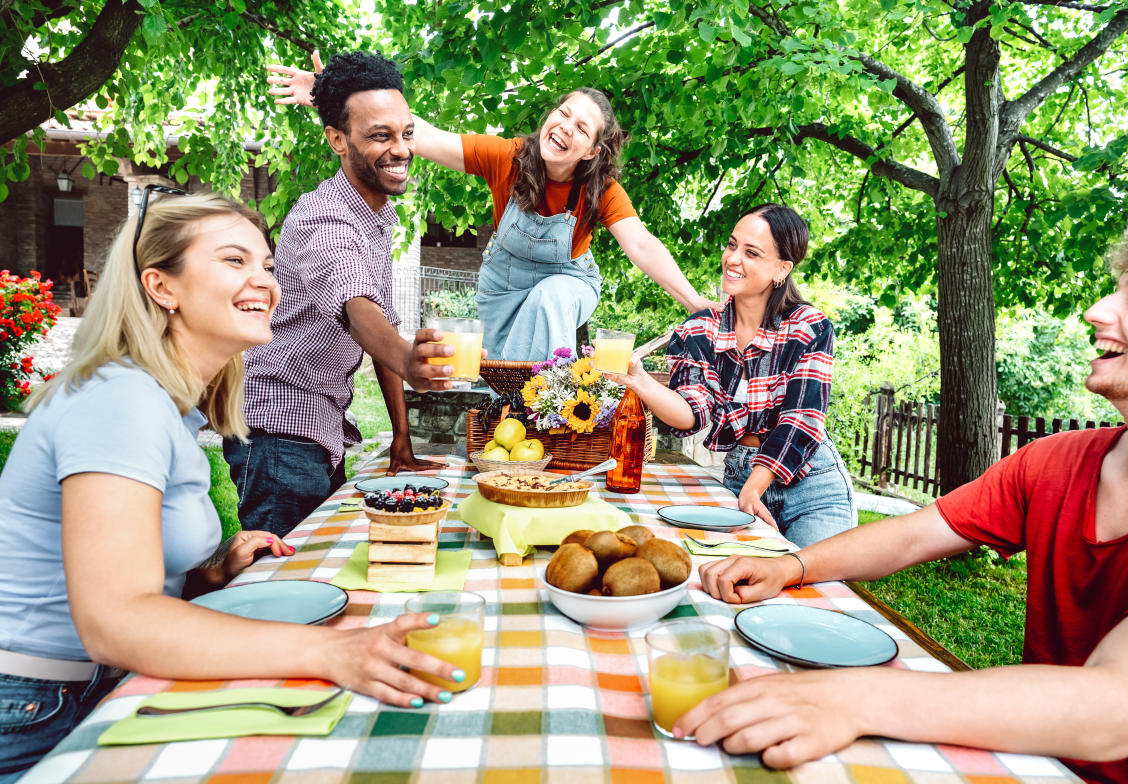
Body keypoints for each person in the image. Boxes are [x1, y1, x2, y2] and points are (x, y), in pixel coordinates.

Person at [682, 208, 1128, 784]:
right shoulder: (1057, 461)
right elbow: (916, 533)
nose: (1097, 312)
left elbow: (1121, 705)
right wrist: (793, 566)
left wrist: (857, 698)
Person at [0, 191, 462, 783]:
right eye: (234, 261)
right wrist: (332, 653)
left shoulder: (168, 407)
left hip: (84, 690)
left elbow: (116, 568)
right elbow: (114, 622)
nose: (265, 281)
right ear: (161, 287)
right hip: (33, 709)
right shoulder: (119, 400)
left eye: (268, 266)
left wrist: (205, 574)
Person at [267, 52, 715, 361]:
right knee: (498, 370)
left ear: (592, 151)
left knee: (551, 298)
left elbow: (641, 245)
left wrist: (696, 303)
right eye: (563, 113)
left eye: (582, 128)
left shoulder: (599, 190)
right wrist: (332, 98)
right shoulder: (508, 158)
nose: (564, 127)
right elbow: (417, 133)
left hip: (567, 281)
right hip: (503, 284)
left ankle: (547, 415)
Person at [226, 52, 460, 538]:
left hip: (319, 425)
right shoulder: (325, 218)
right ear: (338, 139)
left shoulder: (375, 217)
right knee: (281, 585)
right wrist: (409, 360)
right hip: (279, 430)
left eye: (406, 133)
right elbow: (356, 308)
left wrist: (401, 435)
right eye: (380, 136)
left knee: (314, 568)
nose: (401, 149)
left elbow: (380, 327)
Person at [606, 204, 854, 547]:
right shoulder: (699, 330)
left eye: (751, 253)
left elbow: (801, 420)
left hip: (812, 486)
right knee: (742, 586)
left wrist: (756, 485)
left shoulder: (808, 326)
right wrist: (640, 380)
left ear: (782, 269)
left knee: (810, 591)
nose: (733, 259)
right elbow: (692, 413)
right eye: (732, 245)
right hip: (741, 477)